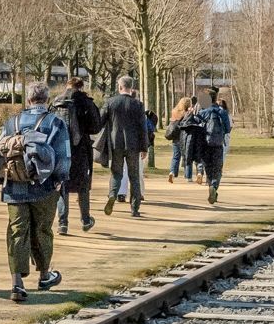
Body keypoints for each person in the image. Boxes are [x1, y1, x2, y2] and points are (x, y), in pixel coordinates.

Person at [0, 82, 70, 304]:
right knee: (42, 230)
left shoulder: (12, 122)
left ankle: (17, 282)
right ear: (47, 100)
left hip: (14, 186)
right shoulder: (55, 122)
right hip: (45, 186)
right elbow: (63, 156)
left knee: (17, 231)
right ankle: (44, 275)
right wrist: (59, 181)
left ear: (28, 100)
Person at [51, 74, 103, 234]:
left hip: (60, 148)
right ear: (81, 87)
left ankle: (63, 223)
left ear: (67, 86)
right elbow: (96, 126)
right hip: (81, 148)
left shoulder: (56, 102)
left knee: (62, 184)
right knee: (83, 184)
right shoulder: (87, 102)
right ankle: (85, 219)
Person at [97, 75, 151, 216]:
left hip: (116, 144)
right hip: (133, 145)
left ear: (120, 87)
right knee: (134, 176)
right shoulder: (138, 105)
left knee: (116, 173)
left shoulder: (111, 102)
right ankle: (135, 209)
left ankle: (112, 195)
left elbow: (99, 122)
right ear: (131, 87)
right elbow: (143, 128)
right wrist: (144, 147)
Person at [189, 85, 232, 204]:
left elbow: (195, 127)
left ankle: (211, 186)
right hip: (217, 144)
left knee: (208, 168)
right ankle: (214, 186)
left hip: (204, 144)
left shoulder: (202, 112)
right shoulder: (222, 112)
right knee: (217, 169)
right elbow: (228, 129)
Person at [164, 93, 197, 182]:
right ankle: (188, 177)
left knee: (176, 156)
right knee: (187, 157)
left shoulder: (174, 112)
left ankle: (172, 172)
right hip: (185, 138)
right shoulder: (188, 113)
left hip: (176, 138)